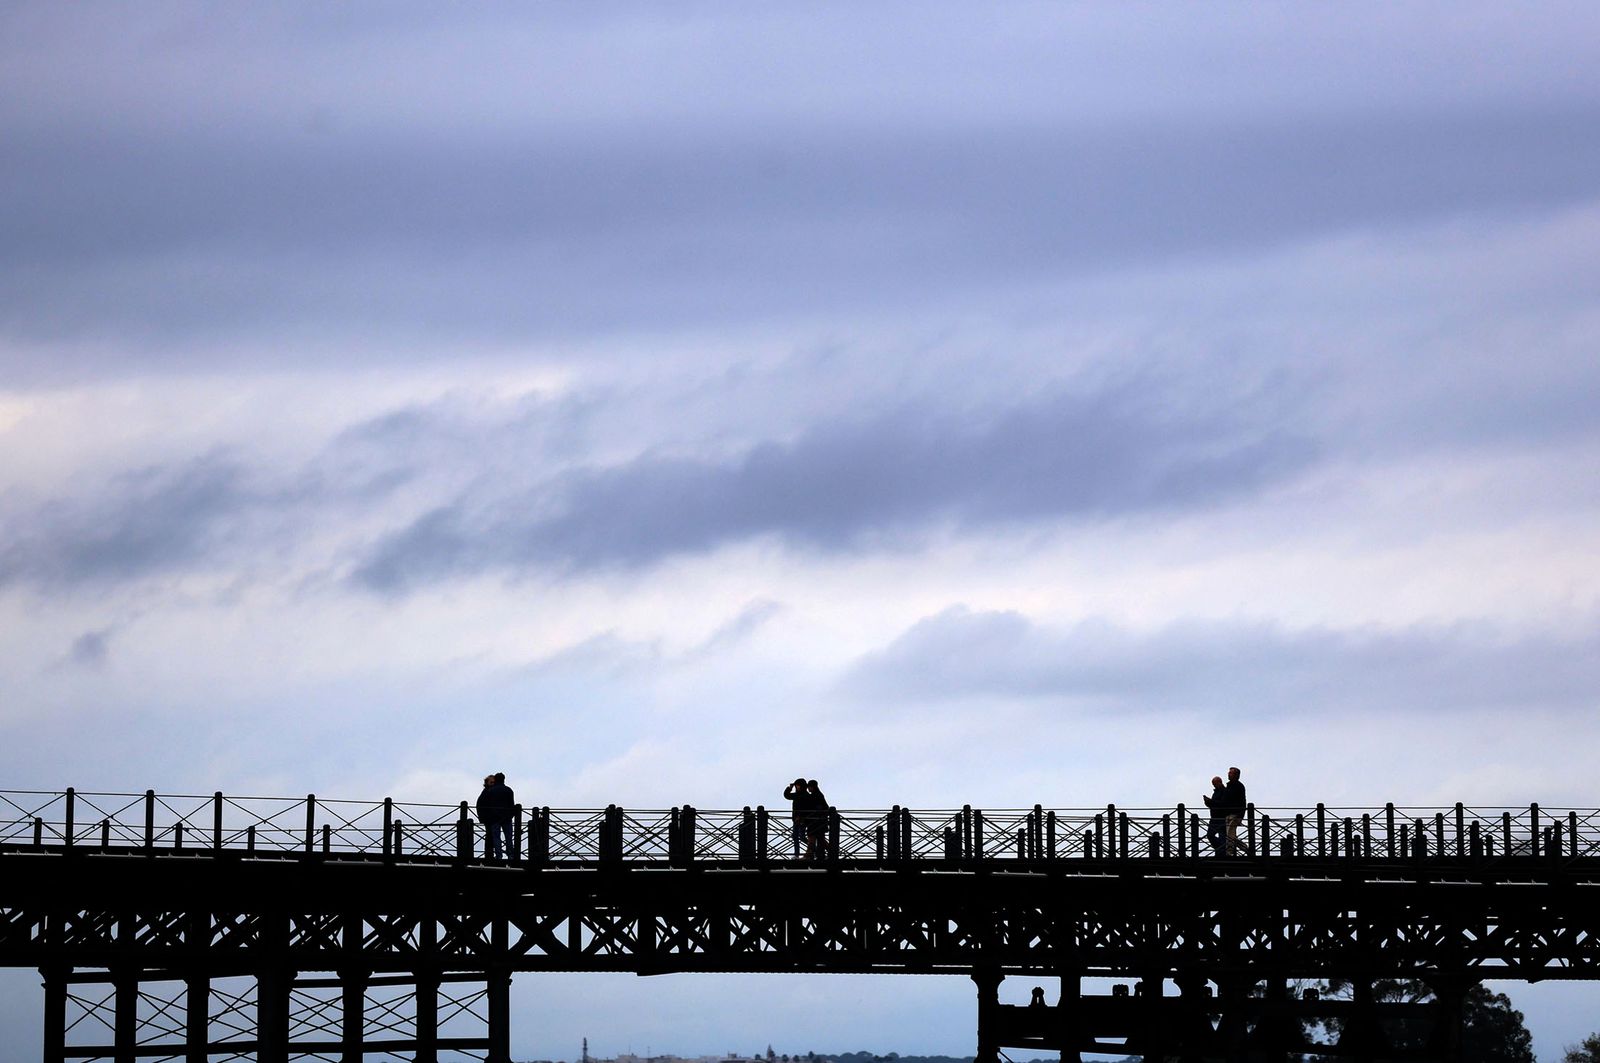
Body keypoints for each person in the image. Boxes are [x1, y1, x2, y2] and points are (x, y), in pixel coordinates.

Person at [476, 772, 516, 860]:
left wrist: (484, 818)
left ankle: (498, 856)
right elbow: (511, 805)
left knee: (496, 838)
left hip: (493, 818)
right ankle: (510, 855)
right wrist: (510, 815)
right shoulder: (509, 790)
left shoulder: (490, 791)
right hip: (506, 818)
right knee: (509, 838)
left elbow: (484, 805)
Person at [1222, 766, 1252, 856]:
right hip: (1229, 813)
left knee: (1230, 834)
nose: (1228, 774)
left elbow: (1242, 801)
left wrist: (1240, 815)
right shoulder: (1230, 786)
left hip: (1235, 814)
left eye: (1230, 773)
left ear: (1236, 775)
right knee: (1230, 835)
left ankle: (1229, 852)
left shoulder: (1238, 786)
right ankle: (1245, 848)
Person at [782, 777, 811, 859]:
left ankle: (812, 851)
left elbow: (806, 808)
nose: (796, 787)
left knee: (800, 837)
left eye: (797, 786)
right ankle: (798, 854)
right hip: (796, 819)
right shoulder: (798, 794)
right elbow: (787, 795)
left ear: (801, 786)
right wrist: (789, 788)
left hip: (802, 819)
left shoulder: (805, 795)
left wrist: (801, 816)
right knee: (797, 836)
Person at [802, 779, 829, 862]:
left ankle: (809, 855)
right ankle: (827, 854)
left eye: (809, 787)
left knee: (812, 839)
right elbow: (826, 808)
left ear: (812, 787)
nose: (808, 789)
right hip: (819, 822)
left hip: (815, 822)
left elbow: (815, 809)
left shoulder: (815, 796)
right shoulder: (819, 795)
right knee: (820, 839)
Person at [1203, 775, 1227, 856]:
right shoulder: (1216, 792)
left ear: (1220, 782)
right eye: (1213, 784)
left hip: (1221, 817)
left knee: (1222, 836)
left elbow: (1222, 804)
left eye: (1215, 784)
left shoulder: (1224, 791)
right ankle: (1220, 850)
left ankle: (1221, 853)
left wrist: (1211, 802)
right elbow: (1215, 804)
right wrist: (1208, 802)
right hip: (1214, 817)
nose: (1214, 786)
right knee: (1210, 835)